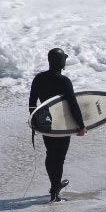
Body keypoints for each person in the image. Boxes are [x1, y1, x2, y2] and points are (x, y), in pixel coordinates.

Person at [29, 47, 85, 203]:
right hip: (62, 124)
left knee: (50, 154)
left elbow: (32, 103)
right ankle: (55, 190)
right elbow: (73, 105)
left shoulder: (38, 79)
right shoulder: (64, 81)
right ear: (62, 63)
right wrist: (81, 125)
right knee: (59, 158)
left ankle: (54, 185)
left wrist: (35, 121)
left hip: (46, 123)